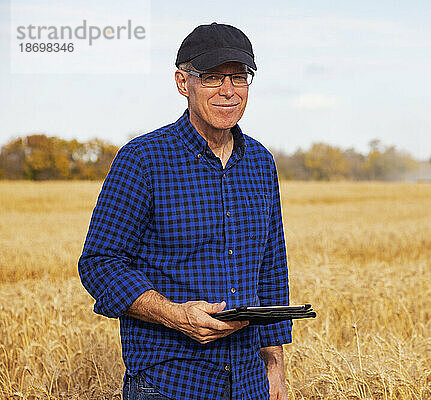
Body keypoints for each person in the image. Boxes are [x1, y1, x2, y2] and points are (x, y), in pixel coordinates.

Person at [78, 23, 291, 400]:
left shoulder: (260, 162)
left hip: (248, 382)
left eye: (238, 77)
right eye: (212, 78)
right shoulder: (143, 159)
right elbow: (99, 262)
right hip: (170, 383)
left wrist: (274, 362)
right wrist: (174, 314)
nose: (228, 91)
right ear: (182, 82)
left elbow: (272, 267)